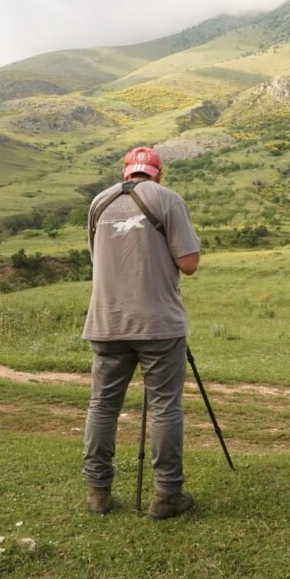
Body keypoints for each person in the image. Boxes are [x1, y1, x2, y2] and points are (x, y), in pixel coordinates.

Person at [82, 146, 201, 520]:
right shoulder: (167, 199)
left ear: (125, 172)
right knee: (165, 406)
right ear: (158, 173)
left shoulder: (99, 202)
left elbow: (98, 259)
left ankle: (98, 492)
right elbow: (189, 263)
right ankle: (166, 495)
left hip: (107, 321)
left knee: (103, 405)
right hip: (158, 323)